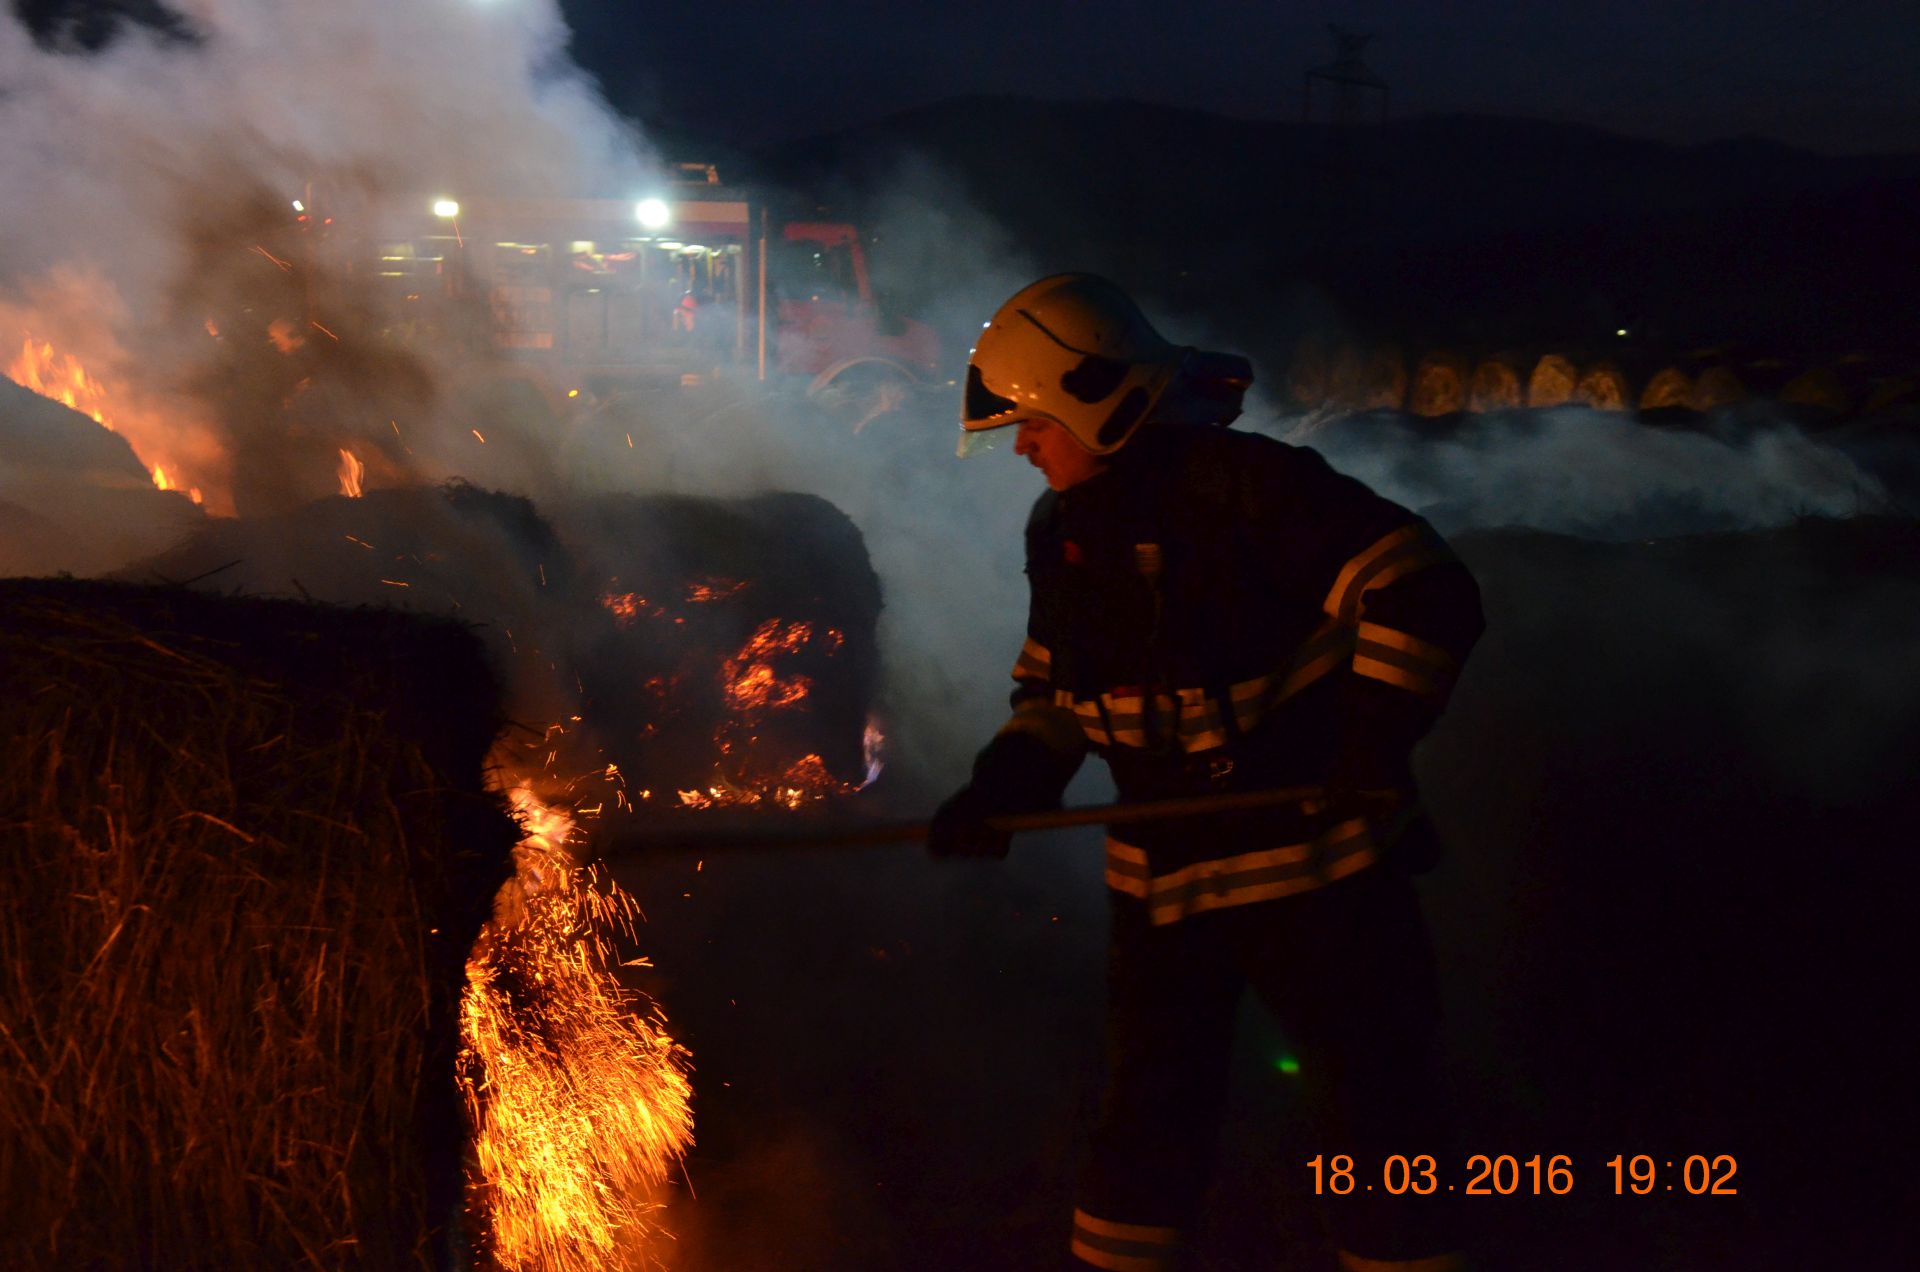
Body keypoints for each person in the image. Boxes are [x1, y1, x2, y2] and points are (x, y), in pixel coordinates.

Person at [930, 274, 1484, 1272]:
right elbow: (1054, 693)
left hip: (1323, 883)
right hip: (1165, 891)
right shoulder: (1061, 533)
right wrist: (1005, 785)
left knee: (1378, 1127)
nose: (1022, 445)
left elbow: (1423, 588)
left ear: (1097, 401)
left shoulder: (1253, 489)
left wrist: (1370, 747)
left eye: (1035, 422)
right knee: (1144, 1134)